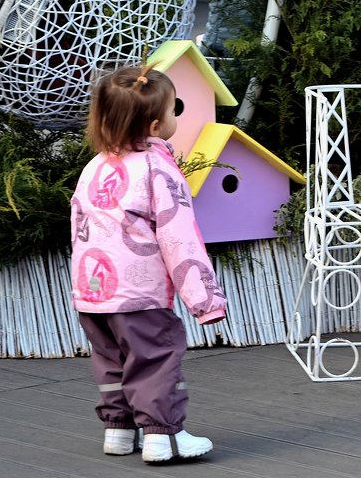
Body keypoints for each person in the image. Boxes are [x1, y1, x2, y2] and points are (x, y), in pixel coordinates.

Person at [71, 65, 227, 463]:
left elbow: (80, 226)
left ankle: (118, 431)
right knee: (156, 358)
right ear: (156, 125)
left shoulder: (95, 167)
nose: (178, 116)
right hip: (140, 291)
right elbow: (179, 237)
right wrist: (204, 300)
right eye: (175, 110)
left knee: (112, 361)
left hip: (94, 291)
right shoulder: (158, 170)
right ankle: (164, 436)